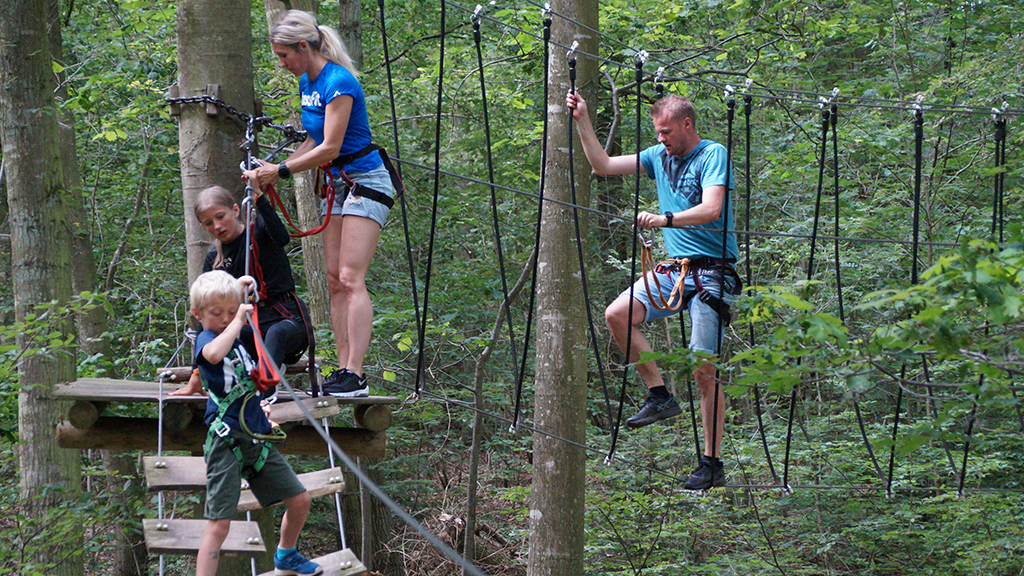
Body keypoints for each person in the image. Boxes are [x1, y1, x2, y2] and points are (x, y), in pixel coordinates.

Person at [566, 91, 740, 491]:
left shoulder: (712, 154)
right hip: (673, 272)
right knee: (617, 315)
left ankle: (711, 462)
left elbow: (712, 208)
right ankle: (660, 395)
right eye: (657, 133)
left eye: (666, 132)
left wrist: (666, 219)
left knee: (703, 369)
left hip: (713, 272)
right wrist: (583, 119)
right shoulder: (657, 156)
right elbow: (603, 164)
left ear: (686, 125)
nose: (660, 139)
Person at [244, 10, 393, 399]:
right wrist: (273, 166)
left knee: (349, 276)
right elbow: (314, 140)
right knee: (331, 278)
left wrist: (282, 170)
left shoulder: (339, 82)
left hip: (366, 181)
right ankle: (342, 372)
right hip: (335, 184)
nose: (282, 64)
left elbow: (332, 145)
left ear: (304, 47)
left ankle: (355, 373)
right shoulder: (308, 82)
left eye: (284, 56)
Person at [189, 270, 321, 576]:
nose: (224, 318)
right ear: (198, 315)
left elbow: (229, 310)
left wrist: (240, 289)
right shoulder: (207, 339)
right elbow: (212, 354)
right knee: (219, 523)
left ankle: (286, 555)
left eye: (231, 312)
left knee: (299, 500)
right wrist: (238, 320)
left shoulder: (234, 339)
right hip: (227, 443)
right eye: (216, 313)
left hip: (255, 437)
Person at [173, 183, 311, 398]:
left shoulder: (260, 232)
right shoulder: (214, 260)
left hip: (287, 321)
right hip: (251, 327)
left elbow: (282, 237)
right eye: (209, 223)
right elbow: (207, 317)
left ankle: (264, 391)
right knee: (208, 323)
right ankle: (202, 381)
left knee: (276, 333)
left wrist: (259, 195)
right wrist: (195, 374)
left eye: (221, 216)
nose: (217, 226)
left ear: (236, 210)